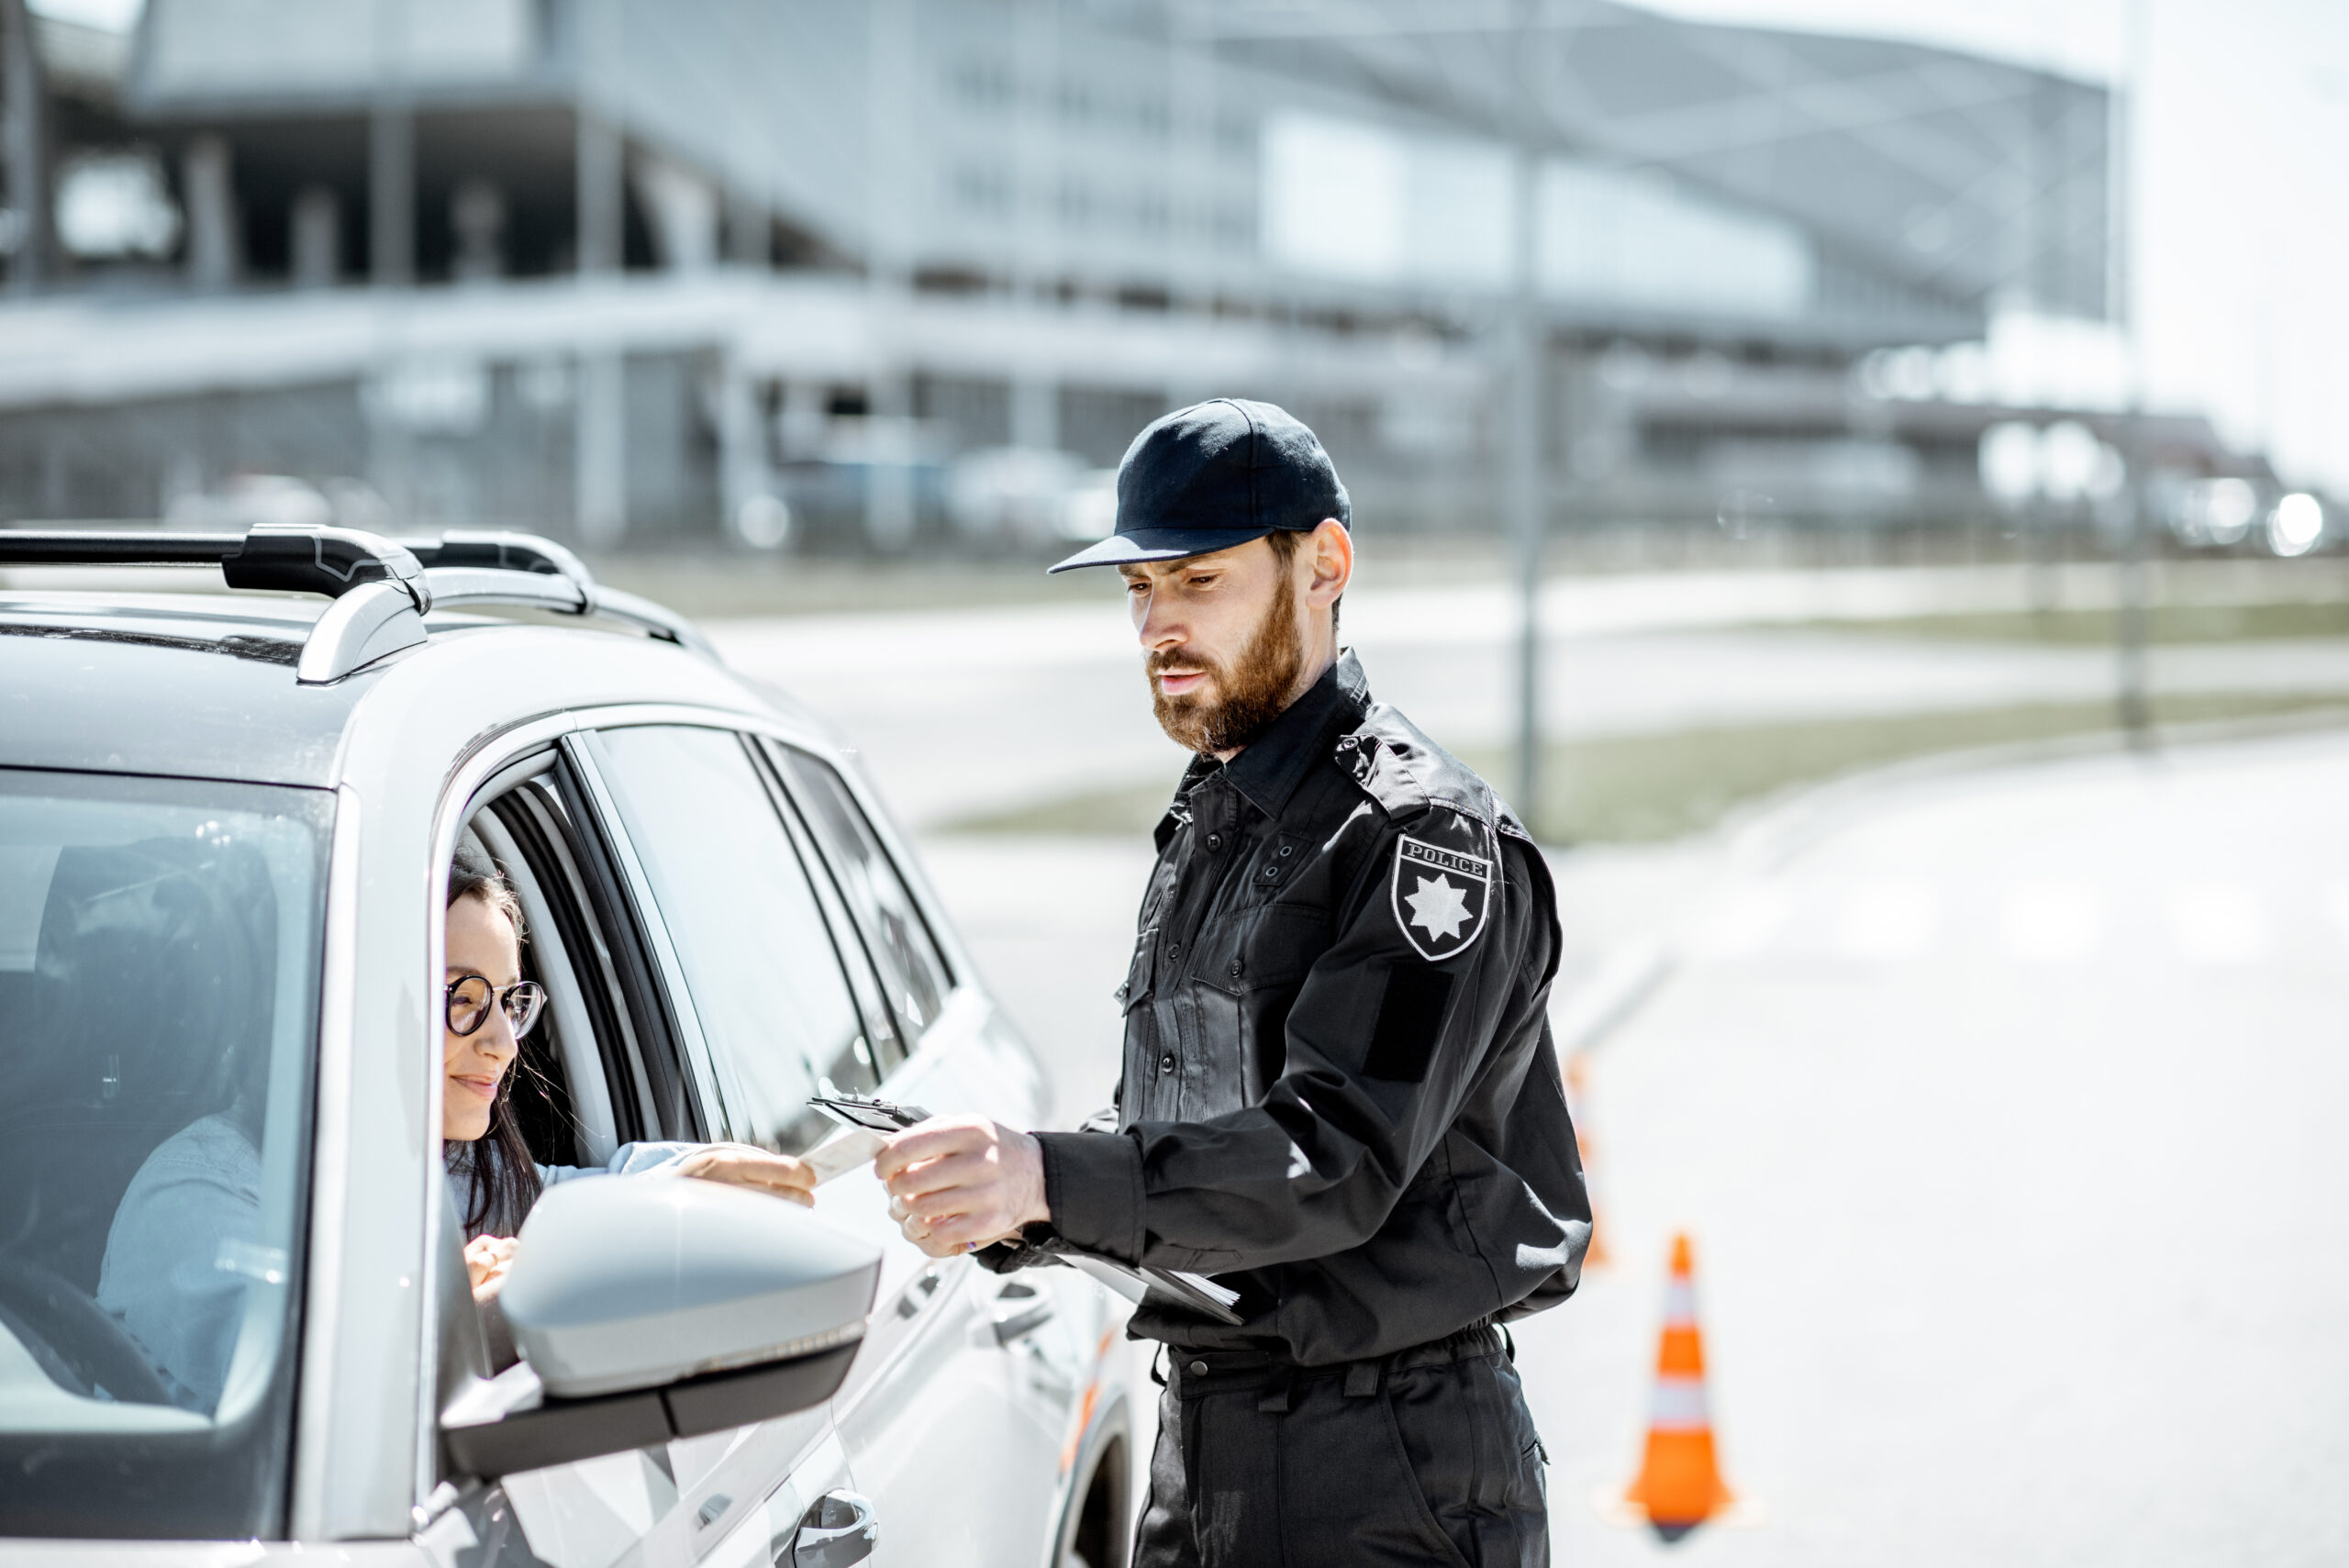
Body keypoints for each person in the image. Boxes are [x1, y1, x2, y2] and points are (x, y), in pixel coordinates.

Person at [874, 398, 1591, 1567]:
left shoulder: (1419, 840)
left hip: (1386, 1468)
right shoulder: (1220, 816)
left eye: (1198, 579)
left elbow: (1330, 1157)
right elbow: (1192, 1135)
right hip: (1205, 1440)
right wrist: (1016, 1197)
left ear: (1323, 566)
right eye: (1138, 587)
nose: (1157, 622)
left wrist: (1048, 1174)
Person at [98, 844, 815, 1407]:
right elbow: (303, 1400)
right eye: (464, 997)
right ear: (353, 993)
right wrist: (442, 1318)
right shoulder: (194, 1197)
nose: (504, 1042)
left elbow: (583, 1204)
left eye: (510, 1001)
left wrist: (686, 1187)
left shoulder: (457, 1170)